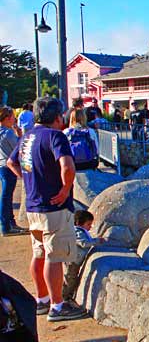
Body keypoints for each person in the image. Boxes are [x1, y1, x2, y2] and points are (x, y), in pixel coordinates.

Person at [6, 97, 87, 322]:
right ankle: (58, 306)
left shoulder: (27, 137)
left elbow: (11, 163)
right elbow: (67, 166)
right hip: (53, 207)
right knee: (55, 256)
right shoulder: (55, 136)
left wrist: (28, 180)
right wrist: (65, 189)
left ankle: (41, 300)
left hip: (33, 205)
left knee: (39, 252)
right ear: (57, 116)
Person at [62, 211, 104, 303]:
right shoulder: (77, 231)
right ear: (78, 223)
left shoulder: (77, 231)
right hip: (72, 260)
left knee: (71, 278)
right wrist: (97, 241)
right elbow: (83, 243)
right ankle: (64, 298)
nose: (90, 227)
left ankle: (67, 296)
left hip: (73, 259)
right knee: (70, 278)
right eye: (88, 224)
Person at [0, 107, 27, 236]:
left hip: (2, 165)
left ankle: (9, 224)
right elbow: (19, 148)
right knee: (6, 196)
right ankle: (7, 226)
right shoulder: (8, 133)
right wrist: (20, 135)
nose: (14, 119)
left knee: (6, 196)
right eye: (12, 117)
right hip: (8, 166)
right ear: (6, 118)